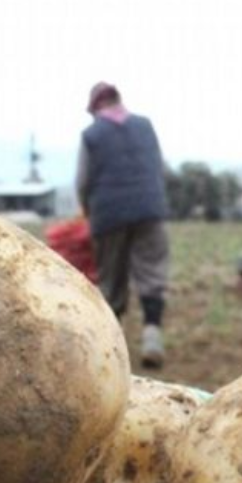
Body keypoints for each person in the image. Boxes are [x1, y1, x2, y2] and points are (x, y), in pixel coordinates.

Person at [76, 82, 170, 368]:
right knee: (152, 273)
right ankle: (152, 335)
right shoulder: (145, 126)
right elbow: (158, 167)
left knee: (111, 280)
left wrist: (86, 210)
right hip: (150, 209)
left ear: (96, 108)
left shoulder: (91, 135)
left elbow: (83, 180)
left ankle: (112, 350)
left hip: (109, 215)